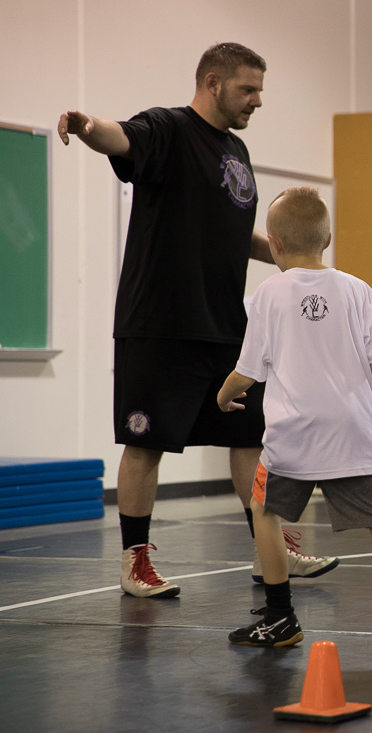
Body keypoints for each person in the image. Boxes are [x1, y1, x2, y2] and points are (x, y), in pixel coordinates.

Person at [58, 43, 336, 599]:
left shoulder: (236, 151)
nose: (257, 101)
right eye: (247, 90)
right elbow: (120, 137)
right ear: (213, 82)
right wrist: (87, 125)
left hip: (225, 327)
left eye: (260, 91)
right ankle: (135, 561)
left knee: (250, 438)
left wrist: (294, 257)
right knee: (146, 444)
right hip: (159, 325)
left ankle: (271, 552)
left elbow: (233, 235)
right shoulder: (169, 129)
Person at [216, 187, 372, 661]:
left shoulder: (268, 293)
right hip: (355, 430)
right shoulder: (357, 289)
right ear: (328, 237)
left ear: (275, 246)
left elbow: (248, 371)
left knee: (264, 510)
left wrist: (223, 397)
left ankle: (280, 615)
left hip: (293, 433)